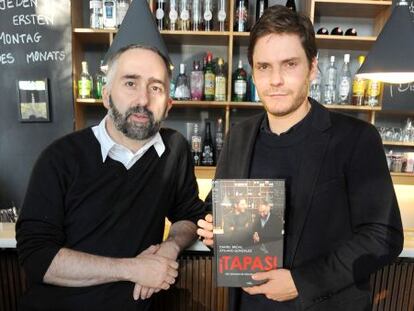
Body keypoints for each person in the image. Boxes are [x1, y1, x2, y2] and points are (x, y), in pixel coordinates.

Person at [197, 5, 403, 311]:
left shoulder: (355, 138)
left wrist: (302, 282)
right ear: (253, 71)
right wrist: (214, 231)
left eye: (289, 64)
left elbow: (383, 236)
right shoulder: (239, 135)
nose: (275, 79)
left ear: (313, 67)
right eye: (264, 66)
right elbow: (216, 207)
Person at [16, 44, 205, 310]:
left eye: (156, 87)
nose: (143, 100)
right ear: (106, 95)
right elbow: (37, 258)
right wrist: (133, 269)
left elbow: (189, 216)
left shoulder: (175, 150)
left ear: (169, 104)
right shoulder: (60, 157)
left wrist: (171, 246)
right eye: (130, 83)